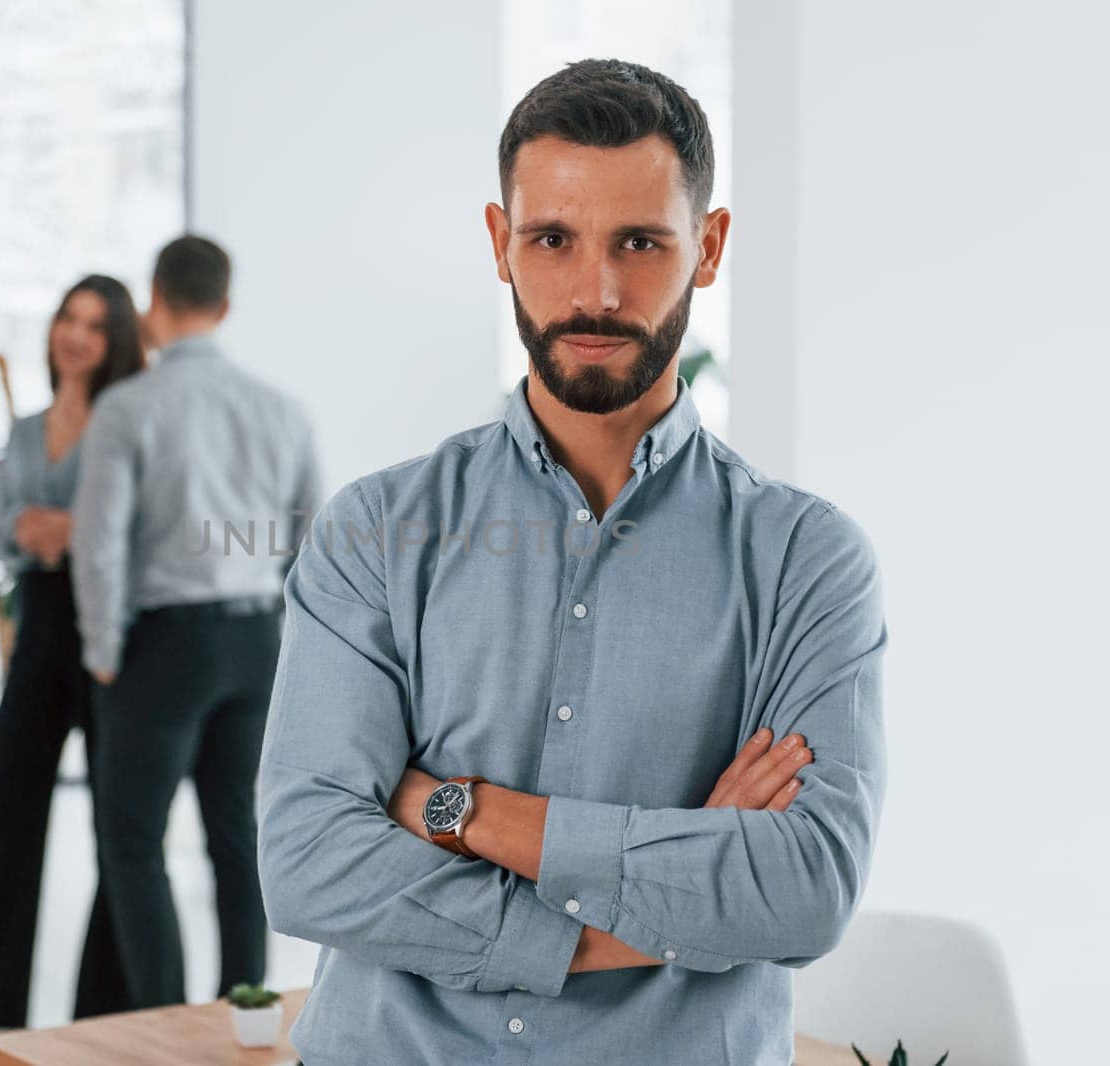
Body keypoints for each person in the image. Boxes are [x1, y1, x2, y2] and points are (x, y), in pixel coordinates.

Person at [256, 59, 888, 1065]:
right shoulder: (372, 530)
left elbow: (800, 890)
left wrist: (456, 810)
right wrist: (651, 904)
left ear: (709, 247)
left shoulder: (805, 559)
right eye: (552, 238)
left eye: (640, 241)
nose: (594, 291)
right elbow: (307, 866)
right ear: (501, 245)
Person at [71, 235, 320, 1008]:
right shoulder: (282, 409)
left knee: (135, 845)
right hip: (255, 642)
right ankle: (239, 1020)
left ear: (153, 300)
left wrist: (103, 649)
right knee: (236, 841)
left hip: (163, 645)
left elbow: (99, 542)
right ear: (225, 306)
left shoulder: (127, 406)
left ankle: (163, 1028)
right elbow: (310, 542)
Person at [0, 276, 145, 1043]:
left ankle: (102, 1014)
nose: (75, 335)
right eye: (67, 320)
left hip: (112, 632)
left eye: (95, 325)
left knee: (120, 825)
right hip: (41, 626)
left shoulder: (131, 422)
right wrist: (40, 530)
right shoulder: (24, 429)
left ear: (117, 343)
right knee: (6, 806)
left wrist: (70, 529)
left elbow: (139, 532)